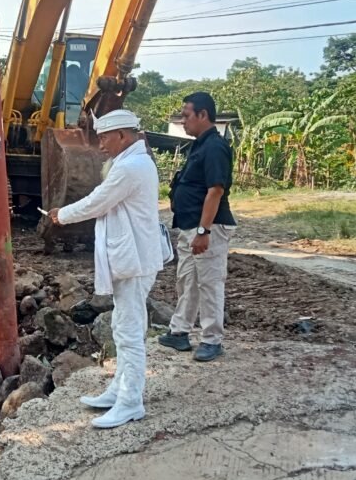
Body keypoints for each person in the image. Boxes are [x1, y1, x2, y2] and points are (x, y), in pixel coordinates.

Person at [49, 109, 163, 429]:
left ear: (123, 136)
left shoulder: (129, 168)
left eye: (104, 138)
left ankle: (130, 402)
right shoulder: (133, 163)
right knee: (123, 328)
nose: (100, 146)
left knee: (128, 333)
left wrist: (62, 215)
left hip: (134, 261)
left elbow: (96, 202)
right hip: (134, 258)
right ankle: (119, 391)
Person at [159, 91, 236, 362]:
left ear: (203, 115)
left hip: (208, 228)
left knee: (210, 283)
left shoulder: (215, 147)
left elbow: (215, 190)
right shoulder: (199, 145)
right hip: (191, 226)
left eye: (187, 115)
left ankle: (212, 340)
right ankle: (179, 332)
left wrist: (204, 231)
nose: (183, 121)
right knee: (188, 281)